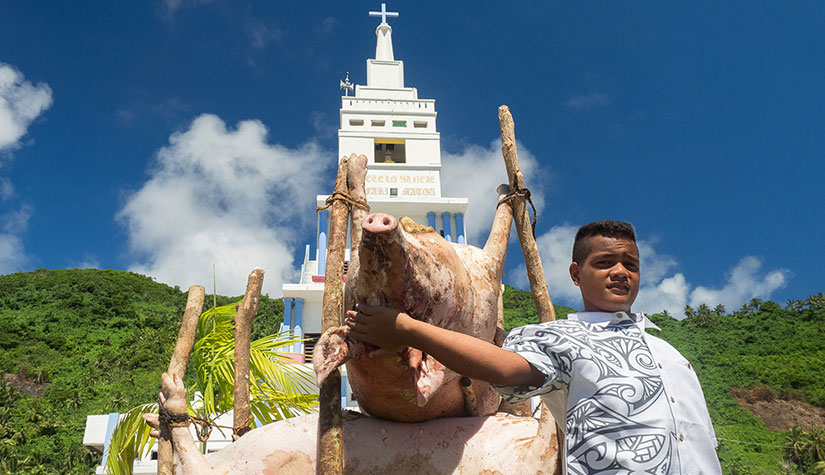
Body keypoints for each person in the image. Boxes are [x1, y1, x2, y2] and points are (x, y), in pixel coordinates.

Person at [346, 220, 722, 474]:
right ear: (577, 274)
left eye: (630, 264)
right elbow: (505, 368)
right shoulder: (559, 336)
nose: (620, 271)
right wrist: (409, 329)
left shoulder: (669, 353)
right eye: (605, 262)